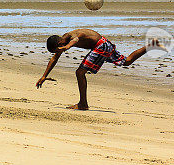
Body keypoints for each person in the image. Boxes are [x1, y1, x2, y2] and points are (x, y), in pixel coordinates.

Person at [35, 28, 163, 110]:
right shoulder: (63, 41)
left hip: (100, 46)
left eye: (57, 49)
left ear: (59, 44)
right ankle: (151, 45)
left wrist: (67, 47)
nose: (58, 52)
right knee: (127, 61)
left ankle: (83, 104)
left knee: (80, 72)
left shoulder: (70, 36)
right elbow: (54, 59)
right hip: (104, 44)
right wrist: (44, 76)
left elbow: (77, 39)